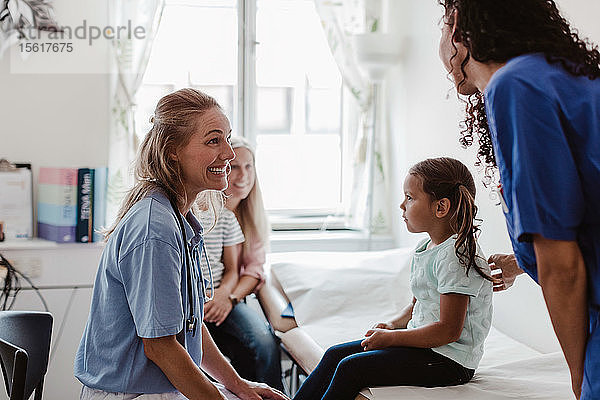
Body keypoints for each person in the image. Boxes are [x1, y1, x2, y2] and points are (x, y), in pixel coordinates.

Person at [74, 88, 289, 400]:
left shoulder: (178, 218)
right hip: (132, 393)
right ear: (172, 149)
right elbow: (160, 346)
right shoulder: (155, 229)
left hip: (155, 387)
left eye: (227, 138)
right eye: (214, 140)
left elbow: (188, 325)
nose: (229, 153)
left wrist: (238, 385)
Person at [436, 1, 600, 398]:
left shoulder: (516, 86)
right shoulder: (570, 77)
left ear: (457, 23)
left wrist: (580, 380)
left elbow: (562, 265)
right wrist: (521, 261)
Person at [293, 157, 494, 400]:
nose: (402, 205)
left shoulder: (456, 258)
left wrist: (392, 339)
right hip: (427, 348)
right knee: (334, 355)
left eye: (410, 198)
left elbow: (448, 331)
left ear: (440, 207)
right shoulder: (428, 248)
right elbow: (417, 304)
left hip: (449, 362)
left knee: (351, 368)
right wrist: (393, 324)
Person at [197, 136, 283, 390]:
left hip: (228, 297)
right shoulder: (200, 212)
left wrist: (227, 297)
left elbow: (252, 272)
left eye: (249, 167)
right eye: (234, 166)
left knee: (261, 343)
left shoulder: (247, 218)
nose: (242, 175)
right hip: (199, 301)